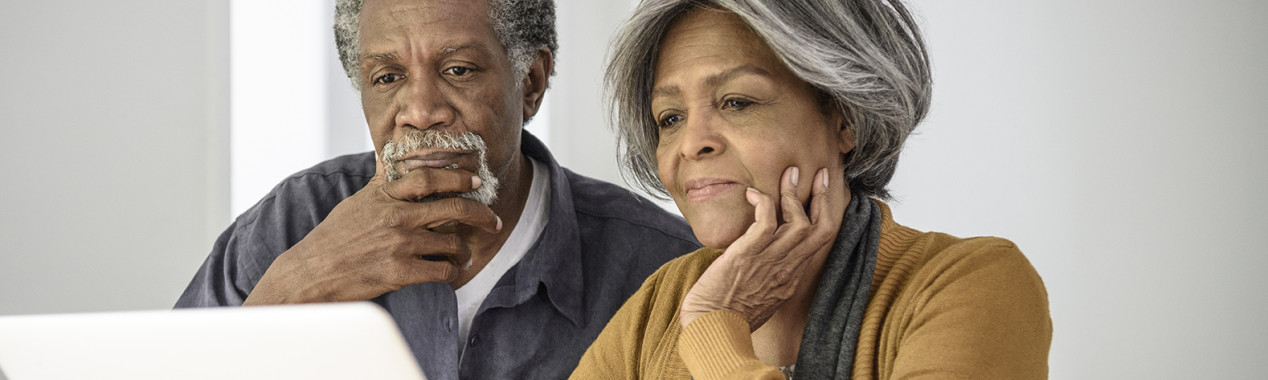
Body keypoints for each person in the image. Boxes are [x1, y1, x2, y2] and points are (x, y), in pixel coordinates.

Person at [175, 0, 700, 379]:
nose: (421, 111)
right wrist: (293, 292)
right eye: (387, 77)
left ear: (532, 82)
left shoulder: (660, 264)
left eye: (458, 70)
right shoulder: (292, 224)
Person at [571, 0, 1053, 379]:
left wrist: (716, 325)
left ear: (845, 117)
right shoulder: (661, 303)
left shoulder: (971, 283)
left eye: (737, 102)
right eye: (671, 118)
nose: (692, 143)